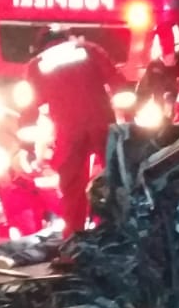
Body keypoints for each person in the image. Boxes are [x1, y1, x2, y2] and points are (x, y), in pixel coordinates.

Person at [19, 28, 121, 236]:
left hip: (70, 131)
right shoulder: (89, 50)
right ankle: (118, 229)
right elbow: (117, 82)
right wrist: (129, 122)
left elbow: (29, 109)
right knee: (116, 178)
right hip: (101, 124)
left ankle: (73, 239)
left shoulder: (37, 65)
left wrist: (26, 148)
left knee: (72, 188)